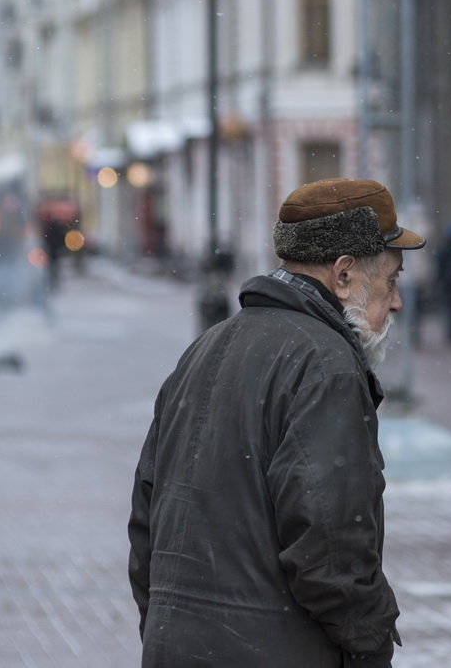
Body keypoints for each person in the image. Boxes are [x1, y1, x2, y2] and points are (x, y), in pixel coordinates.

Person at [128, 178, 425, 667]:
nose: (395, 302)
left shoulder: (206, 348)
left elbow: (149, 525)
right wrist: (371, 648)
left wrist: (170, 628)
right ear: (344, 275)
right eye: (391, 281)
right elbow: (331, 548)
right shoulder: (325, 364)